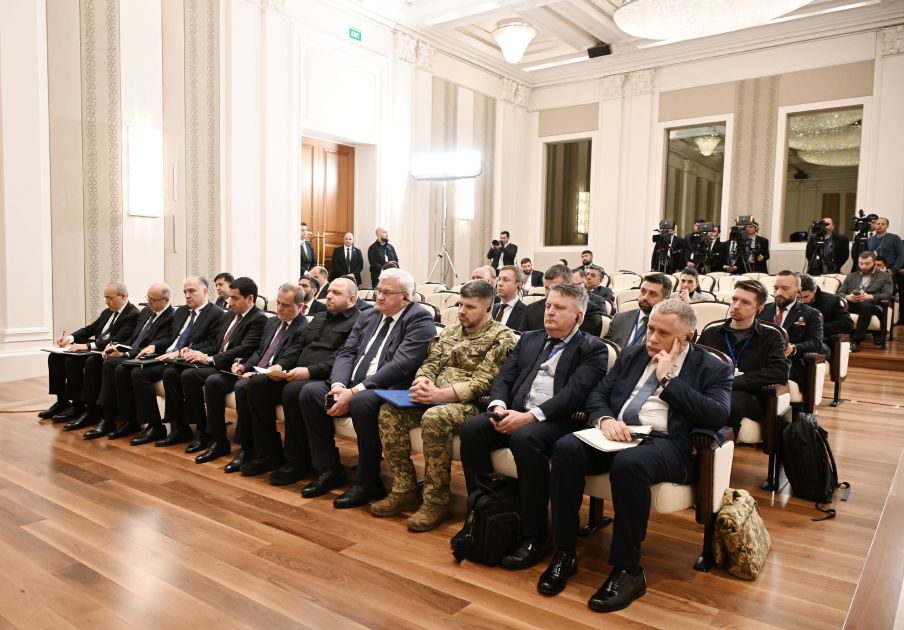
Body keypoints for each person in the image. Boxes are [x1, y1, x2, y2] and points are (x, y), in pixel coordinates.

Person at [540, 299, 733, 612]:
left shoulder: (713, 367)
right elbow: (598, 394)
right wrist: (605, 420)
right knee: (566, 448)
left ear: (687, 337)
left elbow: (717, 415)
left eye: (663, 333)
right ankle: (564, 550)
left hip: (668, 443)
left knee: (629, 464)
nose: (652, 338)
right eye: (651, 328)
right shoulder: (632, 354)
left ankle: (628, 569)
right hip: (619, 434)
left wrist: (668, 379)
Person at [459, 283, 608, 569]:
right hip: (514, 412)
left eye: (559, 308)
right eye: (548, 305)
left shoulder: (593, 349)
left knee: (525, 438)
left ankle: (535, 533)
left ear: (578, 316)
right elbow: (504, 377)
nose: (549, 312)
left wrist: (530, 417)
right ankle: (484, 514)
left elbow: (573, 395)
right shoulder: (529, 338)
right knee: (473, 429)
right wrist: (498, 407)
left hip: (558, 421)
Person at [374, 281, 515, 531]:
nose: (461, 311)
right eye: (460, 304)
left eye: (470, 307)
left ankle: (436, 500)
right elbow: (430, 363)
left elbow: (485, 381)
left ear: (488, 308)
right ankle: (405, 488)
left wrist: (441, 394)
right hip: (433, 396)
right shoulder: (450, 331)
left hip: (470, 405)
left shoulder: (501, 337)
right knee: (390, 411)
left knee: (435, 417)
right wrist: (422, 382)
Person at [298, 268, 436, 508]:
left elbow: (401, 365)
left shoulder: (419, 319)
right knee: (310, 393)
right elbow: (347, 352)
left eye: (386, 292)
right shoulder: (368, 315)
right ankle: (330, 468)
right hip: (352, 384)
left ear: (406, 296)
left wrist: (354, 392)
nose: (378, 296)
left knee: (363, 402)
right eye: (378, 291)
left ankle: (368, 480)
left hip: (389, 388)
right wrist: (339, 385)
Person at [240, 278, 360, 482]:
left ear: (351, 299)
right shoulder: (320, 317)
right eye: (329, 291)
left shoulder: (358, 321)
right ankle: (269, 453)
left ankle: (299, 461)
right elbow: (298, 346)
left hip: (324, 377)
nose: (329, 296)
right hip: (297, 372)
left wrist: (309, 372)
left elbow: (342, 358)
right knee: (256, 385)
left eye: (336, 293)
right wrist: (280, 365)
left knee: (293, 390)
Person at [190, 283, 307, 465]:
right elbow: (260, 352)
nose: (280, 308)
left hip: (274, 377)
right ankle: (218, 440)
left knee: (243, 387)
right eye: (278, 303)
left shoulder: (303, 328)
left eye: (286, 305)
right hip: (255, 371)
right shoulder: (272, 322)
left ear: (300, 307)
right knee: (214, 381)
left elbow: (290, 359)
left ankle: (247, 447)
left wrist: (256, 374)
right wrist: (244, 366)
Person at [160, 276, 267, 454]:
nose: (230, 303)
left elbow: (245, 348)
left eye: (235, 298)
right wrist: (197, 352)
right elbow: (216, 343)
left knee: (190, 376)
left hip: (233, 367)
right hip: (217, 361)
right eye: (230, 297)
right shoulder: (230, 315)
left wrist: (210, 359)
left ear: (250, 299)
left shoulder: (259, 319)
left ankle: (204, 431)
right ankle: (181, 428)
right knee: (171, 372)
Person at [126, 277, 225, 446]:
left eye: (191, 291)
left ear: (205, 291)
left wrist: (178, 353)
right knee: (137, 371)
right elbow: (171, 339)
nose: (187, 295)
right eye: (185, 292)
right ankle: (156, 425)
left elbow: (212, 345)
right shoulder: (181, 312)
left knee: (171, 373)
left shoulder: (216, 314)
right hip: (168, 357)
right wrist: (155, 346)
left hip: (187, 360)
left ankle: (189, 428)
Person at [84, 283, 176, 440]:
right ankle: (127, 419)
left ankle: (110, 417)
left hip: (150, 356)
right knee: (105, 362)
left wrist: (125, 353)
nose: (148, 302)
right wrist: (118, 347)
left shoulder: (172, 316)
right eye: (148, 298)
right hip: (134, 352)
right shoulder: (146, 311)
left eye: (153, 300)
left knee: (117, 367)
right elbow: (134, 338)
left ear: (165, 300)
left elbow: (157, 344)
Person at [39, 282, 140, 424]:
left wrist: (86, 346)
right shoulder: (107, 312)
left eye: (110, 298)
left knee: (73, 361)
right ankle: (61, 401)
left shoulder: (133, 314)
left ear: (123, 296)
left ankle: (79, 406)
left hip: (108, 351)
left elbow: (118, 338)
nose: (106, 302)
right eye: (105, 298)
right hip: (96, 347)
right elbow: (90, 329)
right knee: (55, 357)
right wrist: (69, 338)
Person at [698, 279, 789, 434]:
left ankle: (715, 445)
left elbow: (779, 372)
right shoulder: (711, 333)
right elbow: (695, 363)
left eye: (745, 302)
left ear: (758, 309)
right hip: (711, 389)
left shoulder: (771, 336)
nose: (736, 305)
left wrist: (733, 382)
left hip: (749, 395)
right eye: (734, 299)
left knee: (728, 402)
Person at [757, 271, 825, 396]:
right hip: (760, 360)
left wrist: (793, 348)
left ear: (798, 290)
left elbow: (816, 344)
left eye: (785, 288)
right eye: (776, 288)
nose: (779, 293)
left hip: (790, 363)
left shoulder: (811, 314)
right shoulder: (763, 310)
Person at [520, 265, 603, 337]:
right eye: (547, 288)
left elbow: (585, 344)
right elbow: (522, 342)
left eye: (556, 288)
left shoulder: (589, 311)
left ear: (570, 286)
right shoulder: (531, 309)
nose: (550, 292)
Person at [838, 251, 894, 351]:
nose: (863, 267)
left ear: (874, 263)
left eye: (867, 264)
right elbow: (839, 293)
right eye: (861, 263)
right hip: (854, 304)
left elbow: (888, 295)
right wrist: (848, 297)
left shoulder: (885, 276)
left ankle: (856, 341)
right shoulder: (851, 276)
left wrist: (870, 297)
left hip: (874, 306)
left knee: (865, 306)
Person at [606, 274, 672, 348]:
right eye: (643, 291)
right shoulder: (620, 318)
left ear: (666, 300)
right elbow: (607, 348)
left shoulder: (669, 327)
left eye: (652, 294)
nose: (645, 297)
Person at [799, 275, 854, 347]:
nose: (801, 301)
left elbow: (847, 323)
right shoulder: (789, 299)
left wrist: (817, 328)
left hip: (819, 341)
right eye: (798, 297)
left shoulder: (832, 300)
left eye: (806, 297)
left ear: (814, 290)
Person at [867, 217, 904, 324]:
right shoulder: (870, 239)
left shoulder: (894, 238)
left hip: (891, 271)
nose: (880, 225)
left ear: (887, 226)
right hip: (875, 272)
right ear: (874, 225)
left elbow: (901, 256)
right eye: (878, 223)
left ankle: (899, 320)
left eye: (883, 224)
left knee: (895, 296)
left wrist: (893, 270)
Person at [493, 265, 527, 330]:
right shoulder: (491, 309)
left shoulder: (526, 312)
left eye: (506, 280)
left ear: (519, 285)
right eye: (499, 279)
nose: (500, 283)